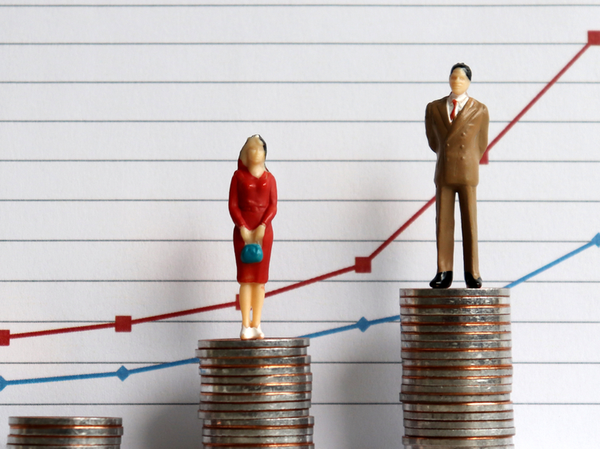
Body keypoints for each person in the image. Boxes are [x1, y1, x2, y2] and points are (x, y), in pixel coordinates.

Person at [425, 63, 489, 289]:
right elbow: (433, 142)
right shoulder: (434, 108)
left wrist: (469, 159)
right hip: (444, 170)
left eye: (462, 78)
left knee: (469, 222)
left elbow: (481, 143)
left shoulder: (480, 109)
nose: (457, 82)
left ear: (469, 82)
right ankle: (444, 270)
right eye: (453, 77)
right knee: (443, 222)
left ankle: (472, 272)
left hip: (466, 171)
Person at [228, 135, 277, 339]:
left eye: (258, 149)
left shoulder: (270, 178)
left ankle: (256, 323)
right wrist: (242, 227)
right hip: (243, 233)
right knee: (245, 280)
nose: (255, 153)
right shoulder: (238, 177)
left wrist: (263, 225)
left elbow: (273, 206)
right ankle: (245, 325)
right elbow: (233, 205)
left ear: (265, 153)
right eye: (250, 149)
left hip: (263, 234)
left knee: (260, 281)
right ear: (244, 154)